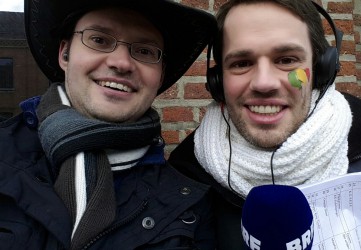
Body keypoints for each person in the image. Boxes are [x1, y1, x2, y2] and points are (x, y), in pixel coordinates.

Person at [0, 0, 217, 249]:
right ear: (64, 54)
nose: (121, 63)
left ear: (160, 75)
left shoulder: (188, 205)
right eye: (99, 40)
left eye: (145, 50)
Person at [168, 0, 361, 249]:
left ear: (322, 69)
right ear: (217, 81)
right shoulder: (181, 181)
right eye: (242, 63)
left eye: (287, 59)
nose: (264, 83)